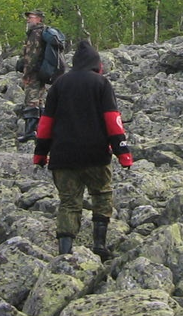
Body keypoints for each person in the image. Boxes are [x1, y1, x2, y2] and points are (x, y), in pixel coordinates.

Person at [32, 39, 133, 258]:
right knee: (102, 195)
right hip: (96, 155)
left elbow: (45, 124)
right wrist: (123, 153)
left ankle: (65, 253)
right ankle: (99, 245)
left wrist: (40, 154)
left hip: (63, 156)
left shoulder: (59, 84)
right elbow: (112, 120)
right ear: (97, 64)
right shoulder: (101, 83)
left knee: (69, 202)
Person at [16, 9, 48, 142]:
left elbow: (32, 55)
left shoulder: (35, 33)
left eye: (31, 17)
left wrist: (27, 73)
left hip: (34, 72)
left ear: (39, 19)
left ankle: (30, 132)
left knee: (32, 99)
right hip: (41, 71)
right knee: (39, 99)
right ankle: (41, 130)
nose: (28, 20)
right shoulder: (42, 32)